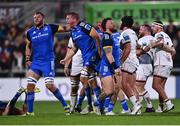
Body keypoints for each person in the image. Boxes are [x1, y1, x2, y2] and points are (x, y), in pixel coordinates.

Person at [25, 11, 70, 116]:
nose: (36, 19)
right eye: (34, 17)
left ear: (43, 18)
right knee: (30, 86)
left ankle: (65, 105)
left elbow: (65, 28)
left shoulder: (50, 27)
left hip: (48, 61)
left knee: (49, 86)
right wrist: (27, 59)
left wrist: (73, 24)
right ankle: (30, 112)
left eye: (38, 17)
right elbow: (28, 46)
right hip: (36, 62)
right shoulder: (30, 32)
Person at [60, 12, 102, 114]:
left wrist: (98, 51)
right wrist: (66, 59)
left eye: (68, 18)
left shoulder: (83, 26)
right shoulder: (73, 32)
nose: (66, 21)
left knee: (83, 77)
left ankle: (94, 105)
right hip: (85, 58)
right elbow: (74, 48)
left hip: (92, 55)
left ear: (74, 19)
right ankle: (98, 107)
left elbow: (97, 36)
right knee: (91, 81)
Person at [99, 18, 130, 115]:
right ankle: (96, 104)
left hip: (115, 65)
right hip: (107, 66)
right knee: (109, 91)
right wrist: (115, 67)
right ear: (106, 26)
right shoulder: (106, 37)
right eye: (110, 23)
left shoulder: (115, 35)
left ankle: (109, 110)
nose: (113, 23)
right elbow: (108, 54)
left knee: (117, 89)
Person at [151, 21, 176, 112]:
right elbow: (174, 51)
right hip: (168, 63)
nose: (152, 28)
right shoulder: (167, 36)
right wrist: (168, 59)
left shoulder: (159, 34)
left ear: (159, 27)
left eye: (153, 26)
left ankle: (168, 103)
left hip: (161, 63)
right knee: (161, 86)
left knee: (155, 85)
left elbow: (160, 43)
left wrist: (152, 44)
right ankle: (161, 107)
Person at [119, 16, 141, 115]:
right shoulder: (133, 33)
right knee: (131, 86)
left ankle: (136, 105)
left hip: (128, 59)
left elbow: (127, 49)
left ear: (123, 23)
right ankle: (138, 109)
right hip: (134, 59)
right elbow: (138, 46)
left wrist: (120, 62)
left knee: (124, 84)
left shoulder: (125, 33)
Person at [136, 24, 155, 112]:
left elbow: (139, 52)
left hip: (143, 64)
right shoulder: (153, 39)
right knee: (141, 87)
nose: (139, 31)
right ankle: (149, 107)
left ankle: (137, 107)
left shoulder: (143, 40)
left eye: (141, 29)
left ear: (146, 30)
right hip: (149, 65)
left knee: (137, 87)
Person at [63, 37, 86, 113]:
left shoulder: (88, 33)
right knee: (74, 86)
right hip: (75, 63)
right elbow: (69, 51)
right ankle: (72, 108)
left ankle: (81, 105)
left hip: (86, 61)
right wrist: (66, 65)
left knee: (87, 85)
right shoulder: (72, 37)